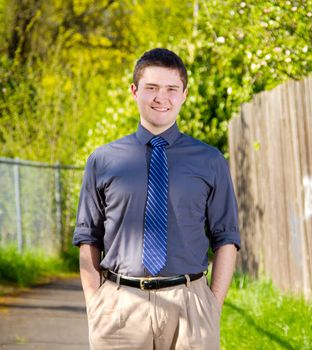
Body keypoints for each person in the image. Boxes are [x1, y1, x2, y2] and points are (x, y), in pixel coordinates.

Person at [73, 48, 241, 350]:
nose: (160, 97)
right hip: (120, 307)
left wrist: (212, 306)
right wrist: (95, 302)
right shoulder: (103, 160)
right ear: (134, 91)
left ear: (184, 94)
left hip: (190, 307)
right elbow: (88, 237)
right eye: (151, 88)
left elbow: (226, 238)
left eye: (171, 89)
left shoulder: (209, 160)